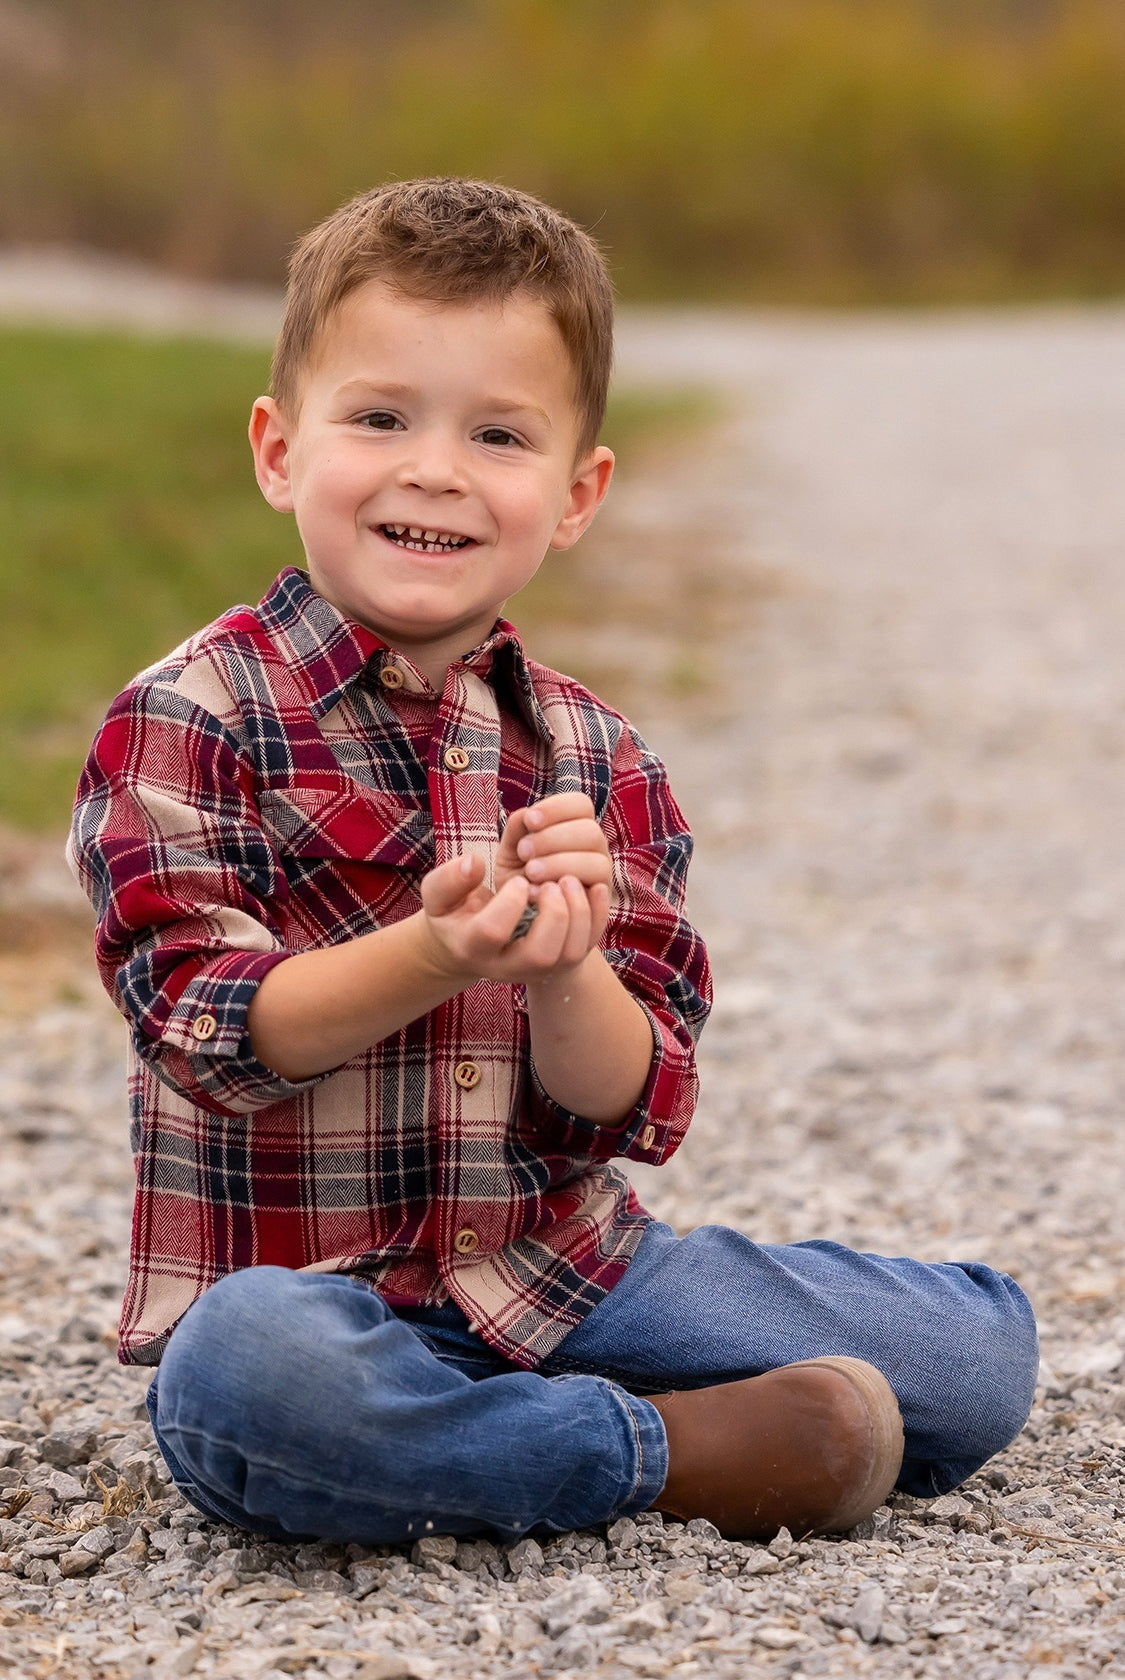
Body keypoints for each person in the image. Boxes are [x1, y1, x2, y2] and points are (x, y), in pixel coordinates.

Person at [69, 177, 1037, 1546]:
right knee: (250, 1392)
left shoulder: (597, 755)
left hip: (562, 1271)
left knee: (977, 1362)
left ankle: (496, 1428)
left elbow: (623, 1106)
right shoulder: (189, 717)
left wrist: (566, 969)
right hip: (309, 1295)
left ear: (575, 493)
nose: (436, 469)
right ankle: (674, 1450)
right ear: (278, 448)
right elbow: (205, 1035)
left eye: (499, 433)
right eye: (381, 417)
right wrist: (440, 949)